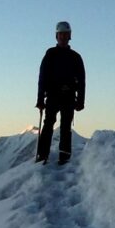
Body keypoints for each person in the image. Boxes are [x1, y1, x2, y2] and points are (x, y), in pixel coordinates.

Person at [35, 21, 85, 165]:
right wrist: (40, 99)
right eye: (61, 34)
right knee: (49, 124)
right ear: (57, 36)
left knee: (64, 126)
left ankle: (62, 156)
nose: (63, 37)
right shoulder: (51, 54)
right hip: (54, 95)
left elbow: (82, 81)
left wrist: (80, 101)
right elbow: (42, 77)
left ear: (69, 36)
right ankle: (44, 155)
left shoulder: (74, 57)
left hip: (67, 96)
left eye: (65, 34)